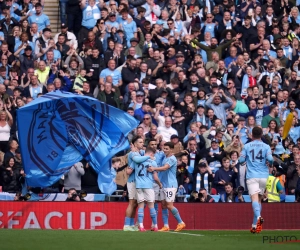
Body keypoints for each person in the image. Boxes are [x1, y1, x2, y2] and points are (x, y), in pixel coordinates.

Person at [239, 126, 273, 234]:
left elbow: (241, 159)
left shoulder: (247, 146)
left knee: (254, 199)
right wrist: (270, 164)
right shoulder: (266, 146)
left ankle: (258, 217)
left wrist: (242, 162)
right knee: (258, 200)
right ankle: (254, 226)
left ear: (251, 135)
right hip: (263, 176)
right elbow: (271, 159)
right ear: (261, 135)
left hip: (252, 175)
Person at [148, 142, 186, 232]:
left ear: (171, 150)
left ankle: (181, 222)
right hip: (163, 184)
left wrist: (154, 169)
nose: (164, 150)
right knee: (163, 205)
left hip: (170, 185)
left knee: (169, 205)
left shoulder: (172, 159)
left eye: (166, 149)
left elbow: (165, 168)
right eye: (164, 148)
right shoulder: (165, 157)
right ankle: (166, 226)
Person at [126, 147, 162, 231]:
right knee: (151, 206)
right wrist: (160, 184)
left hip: (138, 186)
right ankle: (155, 226)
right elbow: (155, 177)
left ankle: (141, 226)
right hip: (148, 186)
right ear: (151, 154)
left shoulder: (136, 161)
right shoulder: (153, 162)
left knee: (141, 206)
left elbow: (128, 172)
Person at [123, 136, 149, 231]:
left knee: (136, 204)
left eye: (143, 142)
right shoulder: (132, 154)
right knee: (132, 203)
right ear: (135, 144)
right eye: (140, 142)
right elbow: (131, 169)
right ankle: (126, 225)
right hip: (133, 181)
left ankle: (132, 225)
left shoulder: (140, 152)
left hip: (139, 182)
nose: (142, 143)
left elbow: (149, 152)